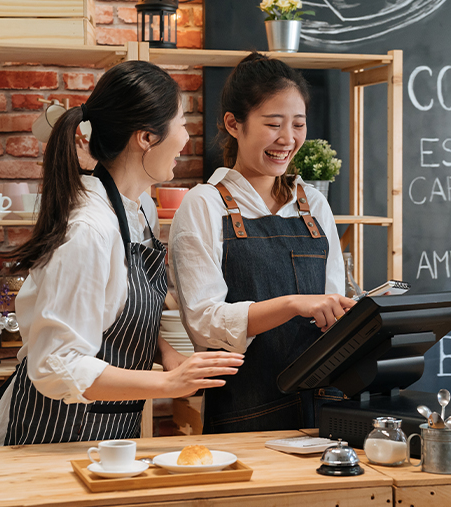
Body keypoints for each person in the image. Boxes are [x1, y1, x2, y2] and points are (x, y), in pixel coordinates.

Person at [0, 61, 244, 446]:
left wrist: (165, 351)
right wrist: (169, 382)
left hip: (110, 435)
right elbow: (56, 365)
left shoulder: (140, 208)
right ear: (145, 137)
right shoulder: (89, 231)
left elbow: (112, 312)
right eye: (180, 123)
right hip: (52, 436)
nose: (186, 138)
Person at [168, 53, 355, 434]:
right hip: (246, 414)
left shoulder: (314, 204)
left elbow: (330, 307)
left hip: (325, 412)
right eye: (273, 124)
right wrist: (290, 305)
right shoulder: (204, 204)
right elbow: (205, 325)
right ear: (233, 124)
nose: (288, 139)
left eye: (298, 124)